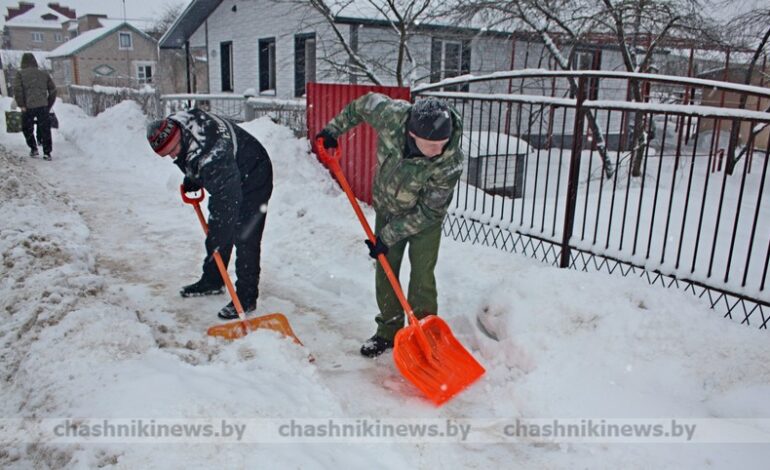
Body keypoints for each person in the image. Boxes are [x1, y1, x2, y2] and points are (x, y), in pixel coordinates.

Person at [317, 94, 464, 358]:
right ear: (411, 133)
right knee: (385, 271)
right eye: (430, 145)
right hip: (387, 210)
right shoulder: (391, 115)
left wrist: (388, 235)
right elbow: (360, 105)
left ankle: (424, 336)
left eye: (441, 144)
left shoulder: (449, 162)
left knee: (422, 276)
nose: (437, 151)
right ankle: (388, 331)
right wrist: (333, 130)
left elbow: (430, 211)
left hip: (424, 222)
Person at [146, 108, 273, 320]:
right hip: (230, 167)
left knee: (244, 235)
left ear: (180, 137)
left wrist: (216, 238)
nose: (173, 155)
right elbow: (191, 155)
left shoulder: (212, 154)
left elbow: (225, 206)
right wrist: (194, 177)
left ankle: (246, 297)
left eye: (173, 150)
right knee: (220, 231)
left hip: (254, 173)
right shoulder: (179, 123)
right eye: (166, 154)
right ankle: (214, 280)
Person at [13, 52, 56, 160]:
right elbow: (53, 90)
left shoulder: (20, 74)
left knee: (27, 128)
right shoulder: (43, 74)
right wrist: (48, 104)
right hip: (43, 106)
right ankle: (47, 153)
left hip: (28, 107)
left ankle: (33, 148)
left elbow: (18, 90)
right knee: (45, 129)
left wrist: (21, 104)